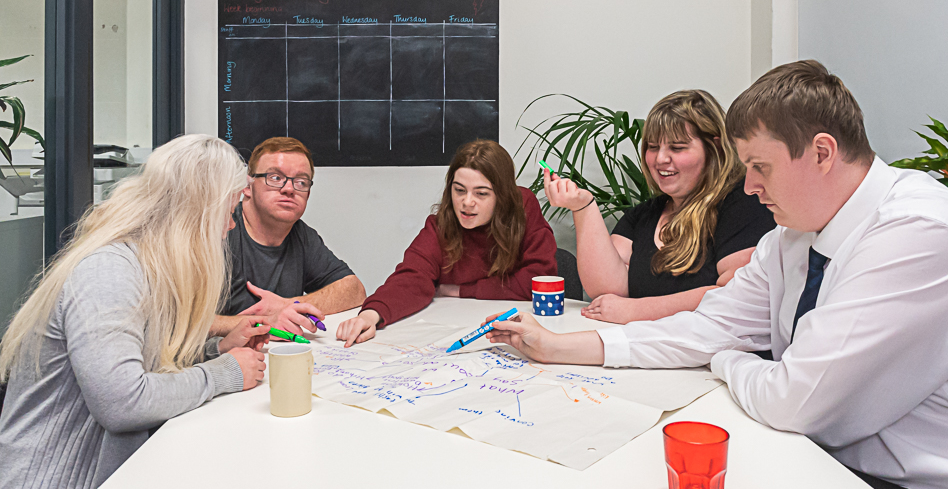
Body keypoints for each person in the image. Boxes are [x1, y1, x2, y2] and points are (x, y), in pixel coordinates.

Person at [486, 61, 948, 489]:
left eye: (760, 167)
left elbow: (794, 399)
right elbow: (707, 326)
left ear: (821, 152)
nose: (748, 186)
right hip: (859, 481)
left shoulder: (921, 233)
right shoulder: (791, 238)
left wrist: (730, 361)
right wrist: (561, 347)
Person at [0, 135, 270, 489]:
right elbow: (122, 400)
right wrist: (223, 372)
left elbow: (139, 358)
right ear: (199, 209)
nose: (230, 226)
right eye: (228, 209)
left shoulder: (145, 265)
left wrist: (214, 349)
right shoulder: (110, 271)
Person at [543, 90, 775, 323]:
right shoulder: (644, 215)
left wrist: (636, 311)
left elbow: (734, 294)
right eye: (653, 147)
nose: (660, 159)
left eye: (677, 147)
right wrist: (583, 207)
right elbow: (607, 291)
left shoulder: (743, 204)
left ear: (714, 149)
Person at [338, 139, 557, 346]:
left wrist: (462, 290)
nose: (466, 202)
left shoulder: (522, 208)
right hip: (451, 329)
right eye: (459, 190)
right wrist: (372, 313)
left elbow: (539, 281)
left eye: (481, 193)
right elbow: (412, 277)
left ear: (502, 196)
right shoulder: (441, 224)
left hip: (512, 331)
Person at [211, 137, 365, 339]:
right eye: (275, 178)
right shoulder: (221, 232)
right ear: (247, 187)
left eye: (301, 182)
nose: (289, 189)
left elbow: (354, 290)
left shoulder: (300, 235)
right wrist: (261, 323)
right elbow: (177, 322)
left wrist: (288, 305)